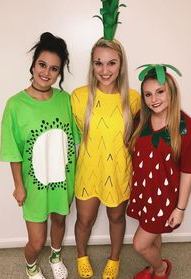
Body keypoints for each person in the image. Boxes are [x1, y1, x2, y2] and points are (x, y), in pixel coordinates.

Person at [0, 32, 80, 279]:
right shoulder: (15, 105)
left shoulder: (66, 100)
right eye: (42, 65)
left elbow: (77, 138)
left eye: (54, 68)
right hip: (33, 186)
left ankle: (56, 256)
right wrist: (18, 186)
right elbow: (13, 150)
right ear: (34, 64)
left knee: (58, 222)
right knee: (35, 242)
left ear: (60, 73)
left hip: (62, 180)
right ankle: (31, 266)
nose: (46, 73)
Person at [126, 64, 191, 279]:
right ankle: (153, 268)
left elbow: (189, 171)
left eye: (160, 91)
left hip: (165, 198)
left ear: (171, 91)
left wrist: (180, 208)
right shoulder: (140, 121)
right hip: (144, 191)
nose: (154, 99)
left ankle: (161, 269)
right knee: (153, 236)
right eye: (148, 94)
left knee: (140, 244)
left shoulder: (187, 128)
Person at [71, 38, 140, 279]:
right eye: (98, 63)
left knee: (116, 216)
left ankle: (114, 258)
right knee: (84, 219)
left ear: (121, 65)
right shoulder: (78, 97)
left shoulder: (132, 99)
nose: (105, 70)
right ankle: (81, 255)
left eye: (111, 63)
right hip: (88, 170)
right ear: (92, 66)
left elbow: (142, 136)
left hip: (118, 171)